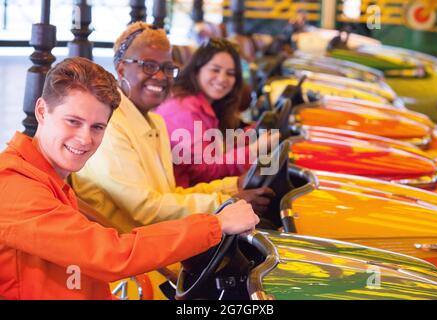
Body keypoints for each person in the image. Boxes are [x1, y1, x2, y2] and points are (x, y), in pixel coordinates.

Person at [0, 57, 259, 300]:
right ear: (42, 111)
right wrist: (215, 224)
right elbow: (111, 255)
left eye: (97, 127)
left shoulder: (49, 178)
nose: (85, 139)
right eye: (73, 121)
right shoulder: (16, 186)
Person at [71, 22, 274, 232]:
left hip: (166, 239)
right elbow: (146, 209)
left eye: (168, 68)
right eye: (148, 65)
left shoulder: (155, 121)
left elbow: (168, 195)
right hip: (137, 254)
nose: (160, 76)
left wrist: (233, 188)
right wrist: (226, 202)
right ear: (122, 69)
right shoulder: (109, 126)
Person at [156, 38, 279, 188]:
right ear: (197, 69)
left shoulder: (205, 103)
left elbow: (213, 150)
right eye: (215, 70)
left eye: (230, 73)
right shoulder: (183, 110)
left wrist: (249, 136)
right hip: (187, 198)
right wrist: (253, 151)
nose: (222, 79)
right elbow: (204, 172)